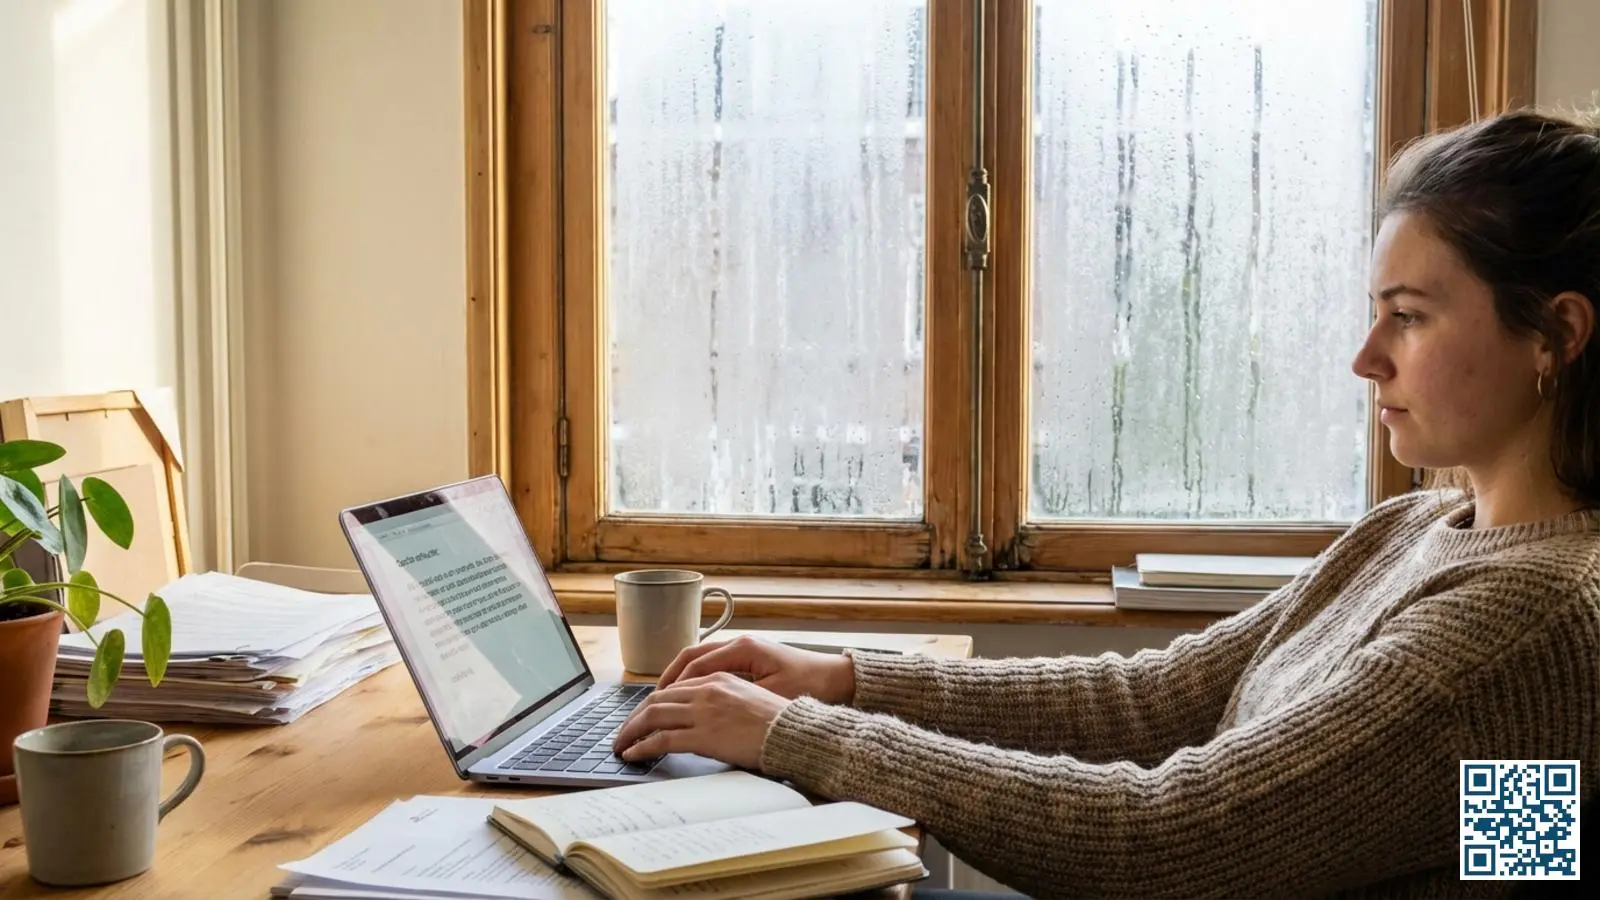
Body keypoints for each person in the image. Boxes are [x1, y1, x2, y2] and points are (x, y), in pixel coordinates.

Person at [612, 108, 1600, 899]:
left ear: (1554, 336)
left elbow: (1165, 844)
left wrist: (803, 738)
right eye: (1372, 310)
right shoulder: (1420, 529)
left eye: (1409, 317)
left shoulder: (1524, 629)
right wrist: (842, 681)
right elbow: (1156, 702)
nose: (1364, 356)